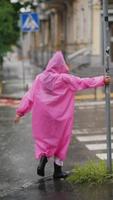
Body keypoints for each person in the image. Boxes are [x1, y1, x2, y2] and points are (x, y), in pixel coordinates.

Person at [15, 51, 111, 179]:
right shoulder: (64, 79)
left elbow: (29, 96)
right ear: (61, 65)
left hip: (44, 117)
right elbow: (83, 82)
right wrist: (102, 80)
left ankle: (44, 157)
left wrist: (20, 112)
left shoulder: (39, 78)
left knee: (46, 140)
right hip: (62, 117)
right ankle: (57, 171)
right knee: (62, 141)